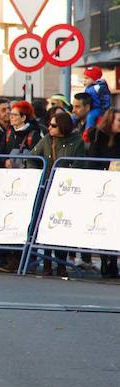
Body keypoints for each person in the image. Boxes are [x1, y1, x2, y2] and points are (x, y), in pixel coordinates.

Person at [29, 111, 86, 278]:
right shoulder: (47, 139)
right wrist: (38, 175)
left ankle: (61, 263)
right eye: (50, 125)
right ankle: (47, 263)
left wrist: (66, 175)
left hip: (66, 191)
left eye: (53, 125)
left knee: (63, 226)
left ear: (63, 126)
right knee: (47, 224)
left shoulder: (77, 142)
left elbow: (80, 164)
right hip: (47, 187)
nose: (49, 128)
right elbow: (33, 156)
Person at [89, 108, 120, 278]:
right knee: (104, 222)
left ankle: (113, 262)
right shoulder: (98, 135)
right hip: (103, 185)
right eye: (118, 121)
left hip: (118, 185)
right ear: (110, 121)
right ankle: (104, 260)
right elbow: (93, 159)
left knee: (116, 225)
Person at [4, 101, 41, 169]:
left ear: (23, 118)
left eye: (15, 115)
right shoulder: (8, 133)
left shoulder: (33, 135)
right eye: (11, 114)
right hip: (8, 173)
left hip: (27, 174)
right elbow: (1, 152)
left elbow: (38, 157)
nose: (11, 117)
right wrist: (4, 161)